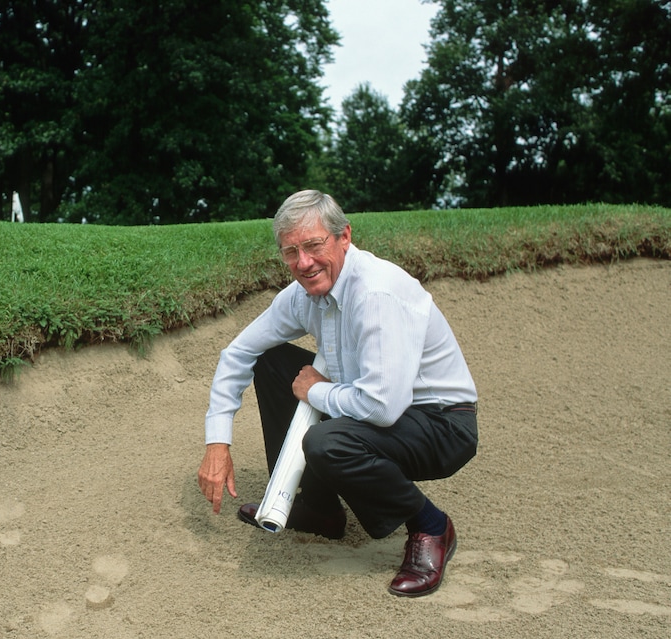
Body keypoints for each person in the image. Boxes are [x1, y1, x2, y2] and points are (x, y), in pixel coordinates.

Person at [197, 189, 478, 597]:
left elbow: (382, 407)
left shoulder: (376, 294)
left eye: (313, 245)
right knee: (271, 359)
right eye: (290, 252)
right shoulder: (302, 295)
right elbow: (239, 352)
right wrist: (217, 442)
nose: (303, 263)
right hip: (379, 406)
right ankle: (317, 509)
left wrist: (318, 392)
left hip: (441, 423)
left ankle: (431, 526)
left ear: (344, 236)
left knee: (328, 442)